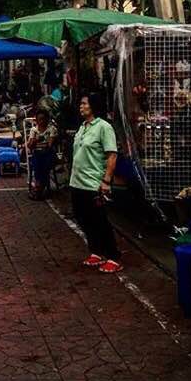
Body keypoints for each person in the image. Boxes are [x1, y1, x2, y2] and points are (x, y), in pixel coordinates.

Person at [70, 92, 122, 274]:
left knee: (100, 220)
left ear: (93, 106)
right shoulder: (83, 127)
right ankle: (96, 251)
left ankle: (114, 256)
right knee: (82, 218)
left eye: (84, 103)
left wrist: (106, 180)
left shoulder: (104, 127)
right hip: (77, 182)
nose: (81, 106)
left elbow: (112, 155)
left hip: (93, 183)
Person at [27, 109, 58, 200]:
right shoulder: (34, 130)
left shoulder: (51, 129)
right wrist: (34, 141)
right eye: (39, 119)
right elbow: (30, 146)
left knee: (44, 162)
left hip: (48, 153)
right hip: (37, 154)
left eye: (44, 119)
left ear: (47, 119)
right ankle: (40, 188)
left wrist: (40, 143)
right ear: (36, 120)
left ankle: (38, 188)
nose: (42, 121)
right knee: (38, 162)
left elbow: (50, 144)